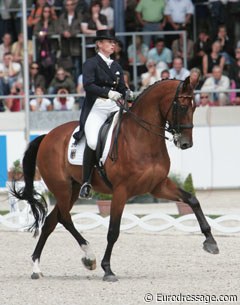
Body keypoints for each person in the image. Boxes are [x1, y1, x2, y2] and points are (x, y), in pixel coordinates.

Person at [73, 29, 132, 198]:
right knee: (92, 141)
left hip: (115, 107)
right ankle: (86, 181)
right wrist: (108, 93)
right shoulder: (90, 63)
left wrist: (127, 92)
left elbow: (121, 87)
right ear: (99, 44)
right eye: (109, 42)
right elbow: (89, 85)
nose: (113, 44)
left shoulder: (116, 66)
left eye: (114, 42)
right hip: (97, 107)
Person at [57, 0, 83, 81]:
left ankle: (77, 85)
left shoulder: (79, 16)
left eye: (71, 5)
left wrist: (71, 33)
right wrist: (64, 32)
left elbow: (81, 28)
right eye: (67, 5)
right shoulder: (62, 16)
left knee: (77, 67)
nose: (69, 7)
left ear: (74, 5)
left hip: (75, 47)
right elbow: (58, 28)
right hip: (65, 47)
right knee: (67, 69)